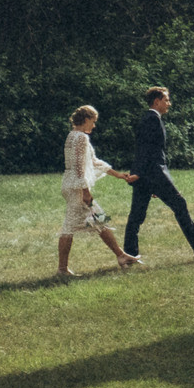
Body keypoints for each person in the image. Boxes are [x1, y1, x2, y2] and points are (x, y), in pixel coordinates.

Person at [126, 86, 194, 265]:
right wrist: (142, 175)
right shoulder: (151, 120)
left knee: (137, 215)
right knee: (179, 205)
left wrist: (142, 176)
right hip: (154, 173)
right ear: (157, 101)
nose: (169, 103)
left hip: (149, 175)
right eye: (166, 100)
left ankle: (129, 254)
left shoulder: (150, 119)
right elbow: (145, 150)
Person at [58, 105, 141, 279]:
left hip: (72, 186)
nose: (94, 126)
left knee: (99, 220)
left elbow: (94, 162)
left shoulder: (72, 136)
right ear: (86, 119)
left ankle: (121, 255)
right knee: (71, 227)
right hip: (77, 189)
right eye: (93, 121)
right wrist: (85, 191)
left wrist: (118, 175)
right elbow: (80, 168)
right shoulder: (80, 138)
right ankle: (62, 269)